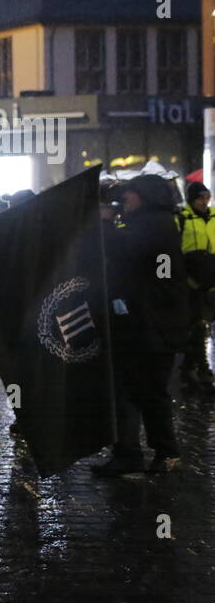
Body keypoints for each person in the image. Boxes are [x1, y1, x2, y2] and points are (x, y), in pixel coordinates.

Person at [93, 174, 189, 476]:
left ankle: (164, 452)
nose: (125, 199)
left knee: (148, 391)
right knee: (132, 390)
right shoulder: (154, 222)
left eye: (130, 194)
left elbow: (123, 250)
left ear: (145, 196)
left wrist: (106, 222)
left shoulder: (154, 225)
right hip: (142, 324)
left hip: (151, 326)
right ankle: (131, 453)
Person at [177, 181, 215, 392]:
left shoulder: (214, 216)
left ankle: (190, 368)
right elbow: (171, 251)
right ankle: (201, 369)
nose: (204, 201)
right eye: (200, 197)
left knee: (200, 327)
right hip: (191, 282)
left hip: (211, 280)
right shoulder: (182, 217)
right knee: (198, 327)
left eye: (206, 196)